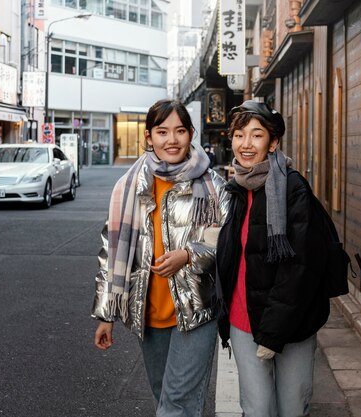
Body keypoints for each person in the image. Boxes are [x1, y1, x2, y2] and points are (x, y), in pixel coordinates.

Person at [92, 99, 230, 417]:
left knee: (177, 404)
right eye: (162, 131)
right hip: (149, 313)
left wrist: (189, 254)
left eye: (180, 131)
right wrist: (105, 315)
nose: (172, 139)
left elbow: (226, 240)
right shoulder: (129, 187)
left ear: (191, 134)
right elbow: (110, 253)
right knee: (165, 398)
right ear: (148, 137)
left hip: (197, 311)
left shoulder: (211, 186)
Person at [216, 100, 330, 417]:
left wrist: (275, 331)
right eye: (239, 135)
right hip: (243, 319)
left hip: (291, 323)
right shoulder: (238, 187)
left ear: (273, 141)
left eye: (256, 135)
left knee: (292, 408)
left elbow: (301, 268)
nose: (246, 144)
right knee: (256, 408)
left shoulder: (293, 189)